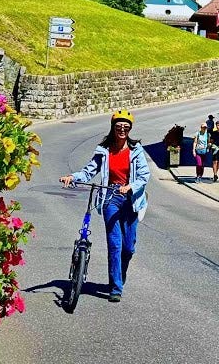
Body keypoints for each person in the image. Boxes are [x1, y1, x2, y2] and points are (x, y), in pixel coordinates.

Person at [59, 110, 151, 303]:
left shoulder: (136, 150)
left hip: (131, 200)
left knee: (129, 248)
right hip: (111, 198)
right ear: (113, 127)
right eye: (119, 126)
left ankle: (120, 275)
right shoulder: (104, 150)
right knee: (115, 244)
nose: (122, 129)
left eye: (126, 127)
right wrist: (72, 178)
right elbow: (89, 171)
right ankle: (115, 287)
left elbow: (144, 176)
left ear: (130, 129)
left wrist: (129, 187)